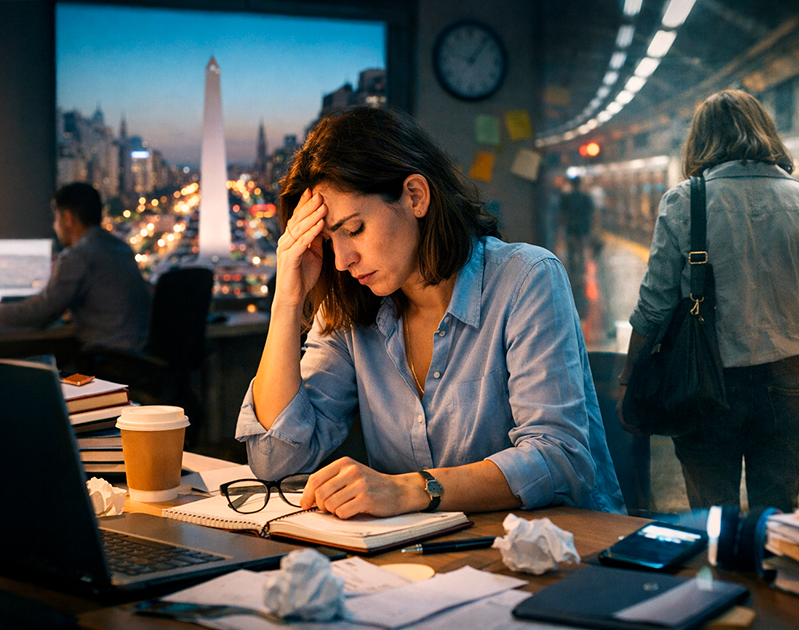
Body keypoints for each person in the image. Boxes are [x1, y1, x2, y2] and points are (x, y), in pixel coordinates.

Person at [238, 106, 624, 519]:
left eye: (354, 229)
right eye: (330, 241)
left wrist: (411, 489)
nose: (342, 260)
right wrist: (287, 302)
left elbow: (560, 458)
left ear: (415, 196)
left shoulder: (526, 279)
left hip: (554, 545)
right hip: (422, 553)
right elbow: (275, 461)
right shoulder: (348, 308)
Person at [617, 90, 799, 513]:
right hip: (789, 385)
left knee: (712, 516)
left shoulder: (683, 201)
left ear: (701, 140)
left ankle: (719, 558)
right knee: (774, 519)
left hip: (703, 381)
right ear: (765, 131)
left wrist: (630, 378)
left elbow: (654, 305)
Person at [0, 182, 151, 354]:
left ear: (68, 218)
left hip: (109, 359)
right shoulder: (119, 247)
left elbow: (41, 313)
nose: (54, 226)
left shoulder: (79, 255)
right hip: (138, 355)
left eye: (56, 219)